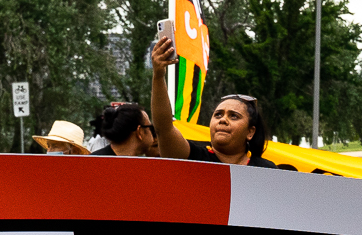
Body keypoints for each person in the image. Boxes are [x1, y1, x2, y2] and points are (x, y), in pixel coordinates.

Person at [149, 34, 267, 166]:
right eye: (218, 115)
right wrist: (158, 75)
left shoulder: (268, 171)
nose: (223, 120)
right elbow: (163, 128)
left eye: (234, 116)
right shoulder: (193, 158)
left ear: (250, 132)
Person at [90, 102, 159, 157]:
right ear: (140, 132)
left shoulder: (92, 162)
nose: (153, 135)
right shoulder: (134, 168)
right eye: (150, 128)